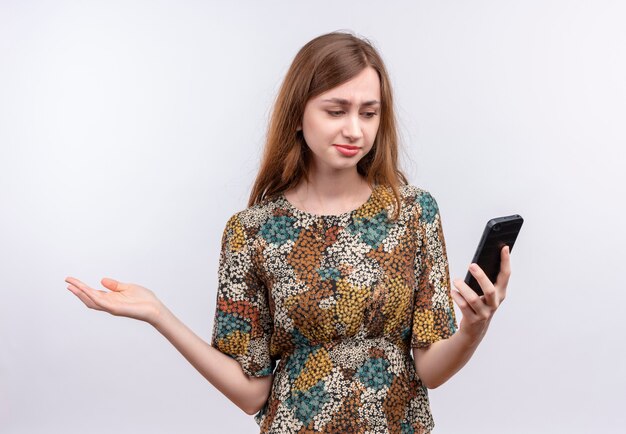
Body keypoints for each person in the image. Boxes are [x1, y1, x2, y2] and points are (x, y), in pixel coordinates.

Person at [65, 31, 512, 433]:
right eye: (336, 110)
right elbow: (251, 393)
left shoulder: (413, 212)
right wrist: (159, 314)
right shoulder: (252, 233)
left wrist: (474, 327)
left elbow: (430, 370)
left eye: (369, 113)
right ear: (298, 115)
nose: (354, 129)